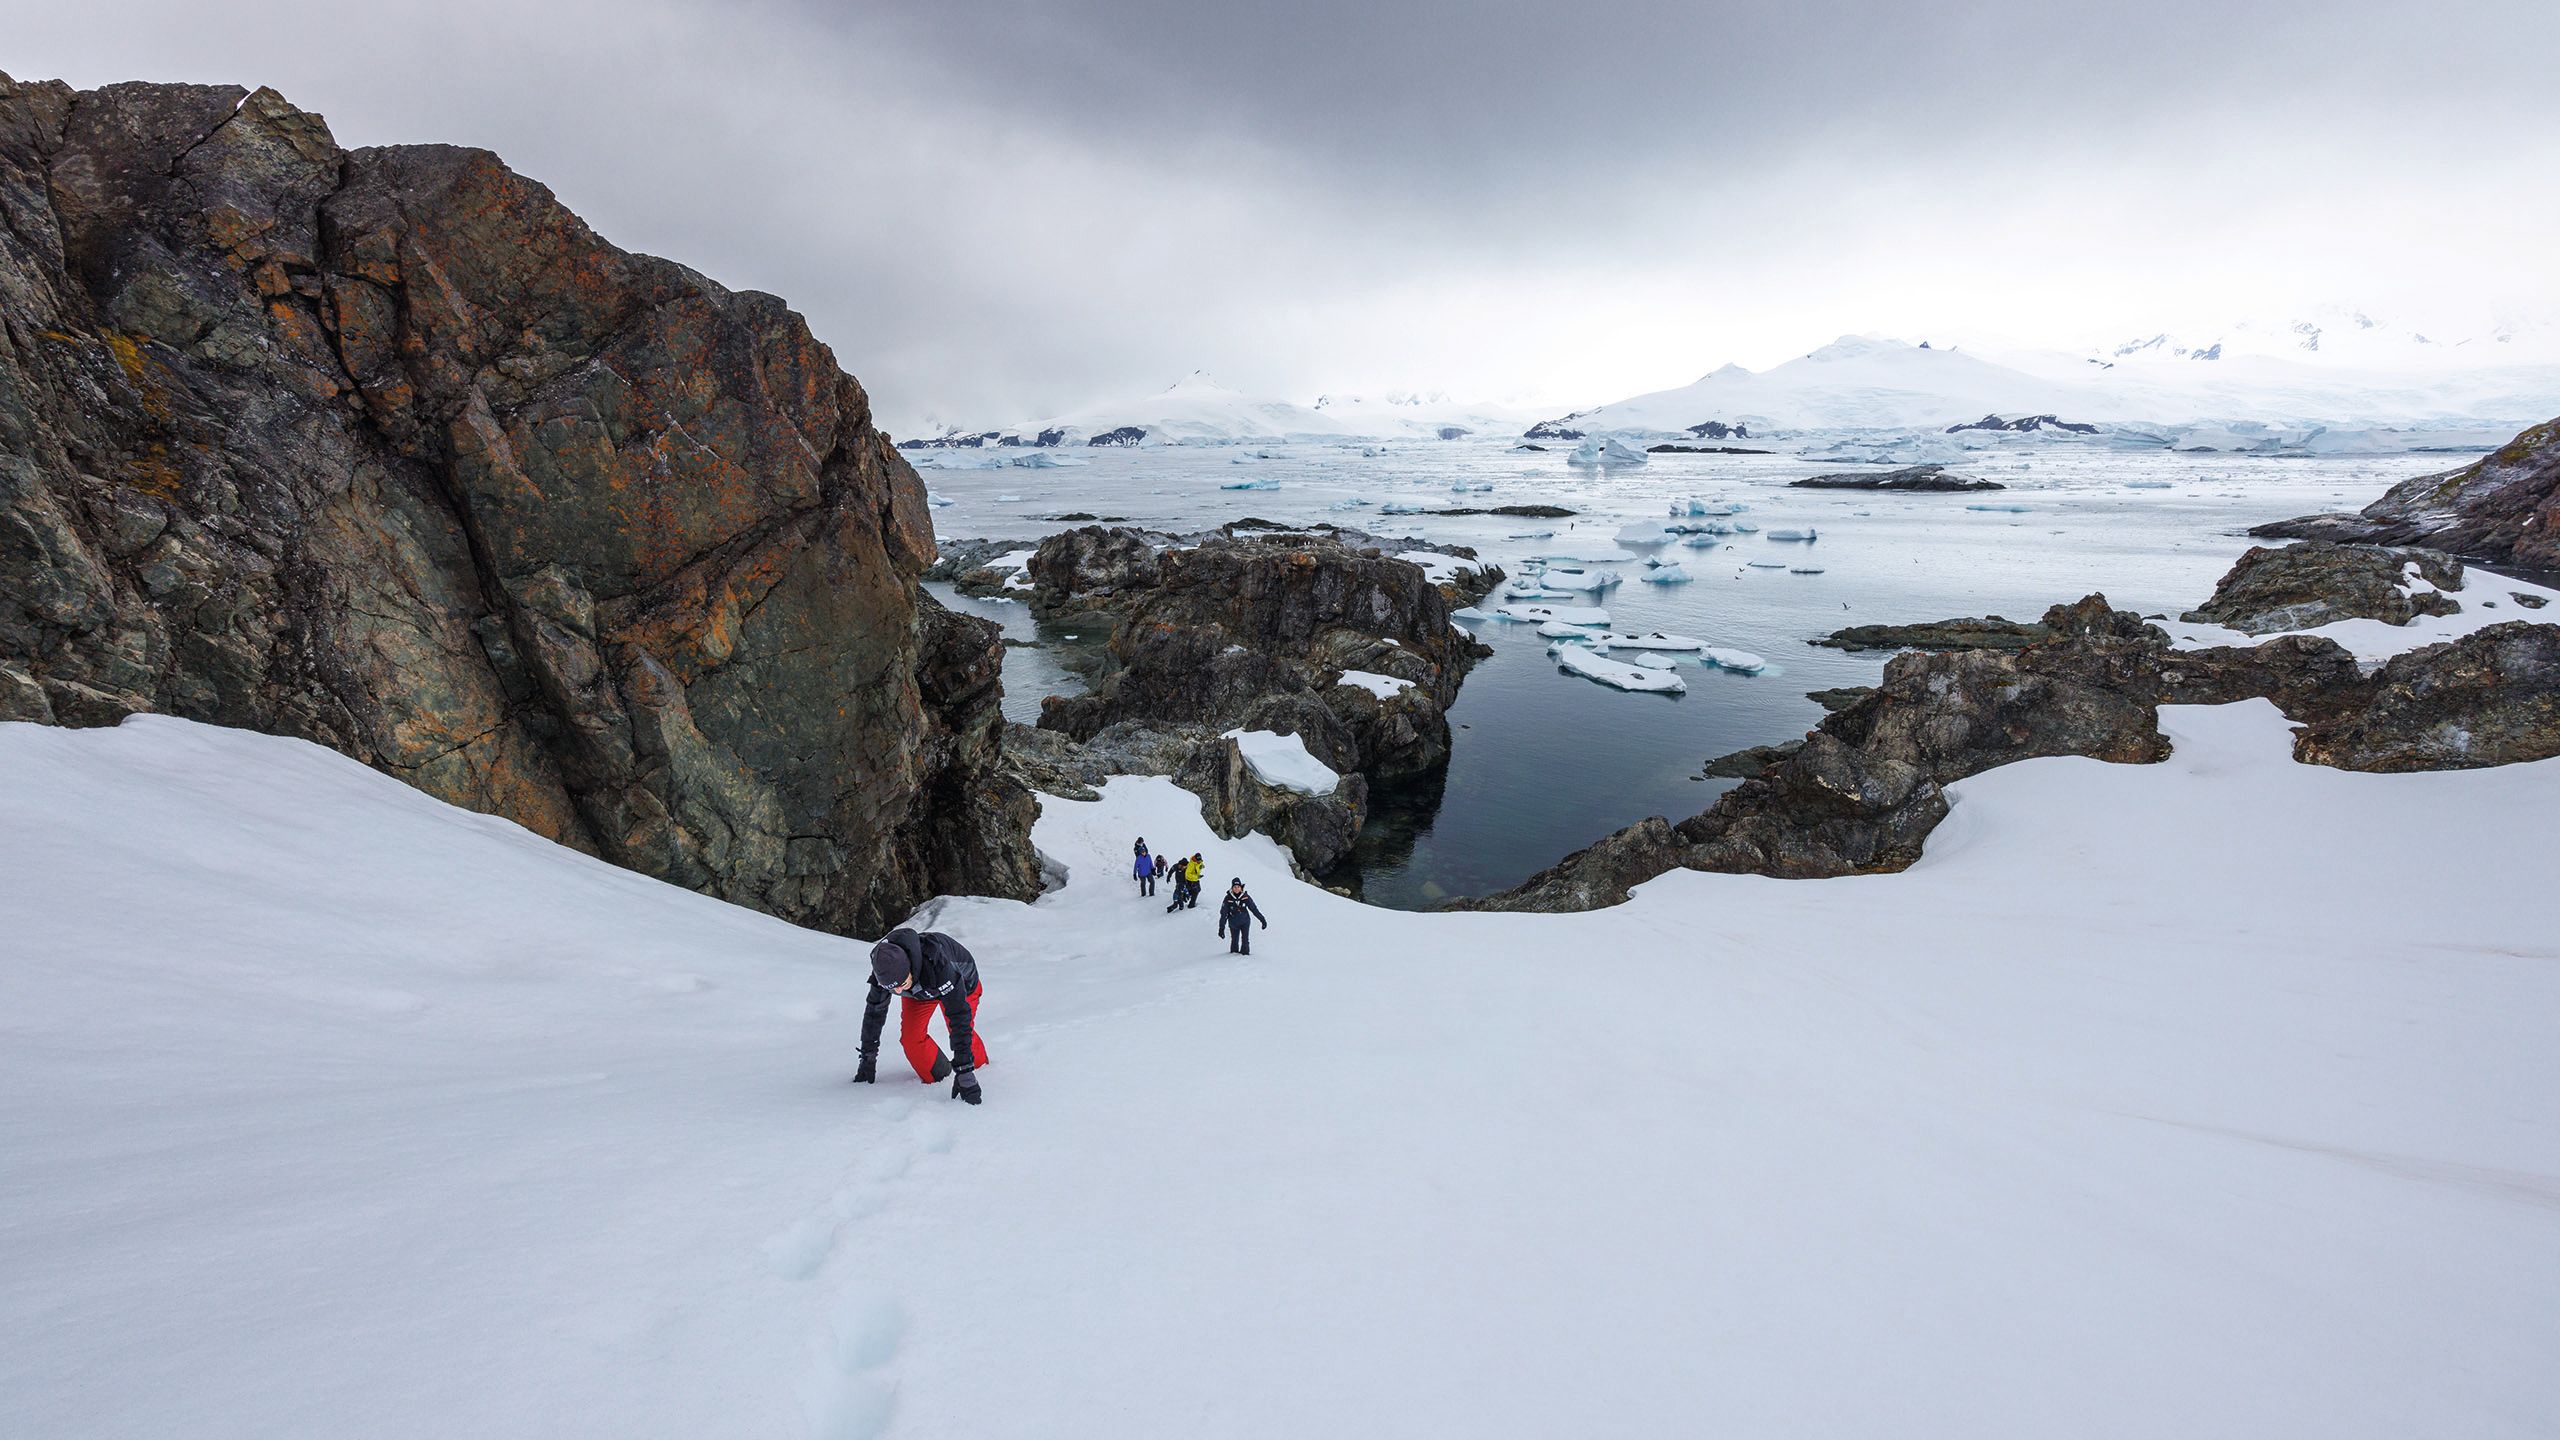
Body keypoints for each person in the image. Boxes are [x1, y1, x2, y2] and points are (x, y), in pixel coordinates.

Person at [853, 927, 985, 1104]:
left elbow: (959, 1017)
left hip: (961, 984)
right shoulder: (884, 971)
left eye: (902, 984)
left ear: (910, 968)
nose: (898, 990)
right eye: (893, 988)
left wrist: (965, 1073)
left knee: (961, 1029)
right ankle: (940, 1076)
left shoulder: (939, 964)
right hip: (920, 991)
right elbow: (874, 1012)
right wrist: (868, 1056)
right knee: (911, 1039)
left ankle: (981, 1068)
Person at [1216, 877, 1268, 954]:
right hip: (1233, 923)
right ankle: (1233, 957)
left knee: (1245, 940)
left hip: (1245, 922)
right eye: (1235, 887)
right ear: (1232, 888)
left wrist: (1262, 920)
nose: (1236, 889)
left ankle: (1245, 956)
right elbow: (1223, 914)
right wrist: (1221, 928)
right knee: (1234, 940)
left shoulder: (1245, 897)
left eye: (1238, 887)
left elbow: (1254, 909)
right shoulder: (1228, 898)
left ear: (1241, 887)